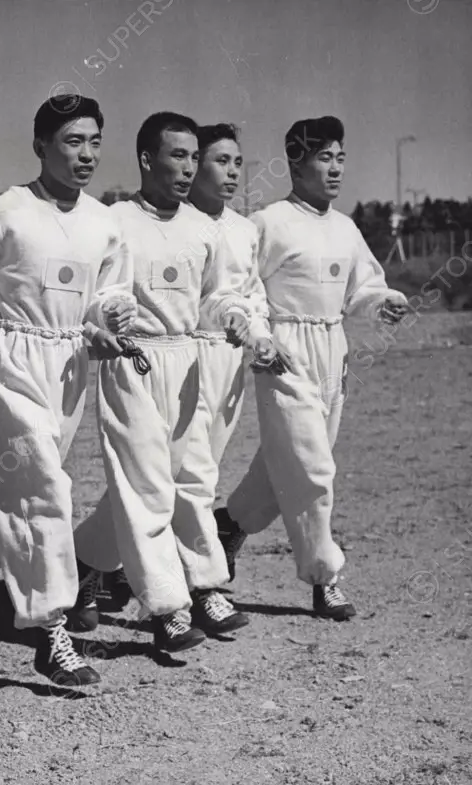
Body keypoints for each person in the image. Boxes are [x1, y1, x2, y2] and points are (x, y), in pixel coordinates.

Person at [0, 95, 135, 688]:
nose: (87, 154)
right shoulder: (3, 210)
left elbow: (111, 293)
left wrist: (109, 322)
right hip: (12, 358)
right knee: (46, 487)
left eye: (95, 141)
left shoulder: (106, 221)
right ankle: (52, 633)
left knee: (18, 491)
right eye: (74, 141)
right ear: (41, 145)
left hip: (71, 365)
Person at [70, 112, 278, 652]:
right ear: (146, 159)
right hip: (133, 361)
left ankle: (91, 565)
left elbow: (217, 294)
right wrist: (112, 311)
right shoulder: (115, 219)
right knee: (146, 490)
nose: (188, 168)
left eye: (193, 156)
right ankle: (170, 606)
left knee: (190, 483)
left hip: (189, 363)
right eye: (176, 156)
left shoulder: (202, 227)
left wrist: (235, 316)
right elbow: (102, 289)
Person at [216, 116, 410, 620]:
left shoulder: (345, 227)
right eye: (324, 157)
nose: (335, 168)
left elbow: (363, 286)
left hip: (332, 349)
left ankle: (229, 523)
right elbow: (241, 288)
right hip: (284, 353)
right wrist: (259, 338)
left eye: (341, 157)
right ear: (295, 164)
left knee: (294, 460)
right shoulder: (269, 222)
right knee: (312, 467)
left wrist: (382, 300)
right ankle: (325, 578)